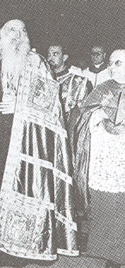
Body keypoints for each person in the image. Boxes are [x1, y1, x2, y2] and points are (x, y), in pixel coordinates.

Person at [0, 19, 78, 266]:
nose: (17, 35)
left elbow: (52, 107)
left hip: (24, 148)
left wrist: (19, 107)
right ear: (1, 35)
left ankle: (19, 248)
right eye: (12, 30)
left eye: (22, 30)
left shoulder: (37, 64)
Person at [72, 49, 125, 268]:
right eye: (111, 63)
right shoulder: (103, 88)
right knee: (107, 205)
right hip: (107, 157)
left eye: (118, 63)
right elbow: (82, 116)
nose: (112, 67)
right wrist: (101, 115)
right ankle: (113, 255)